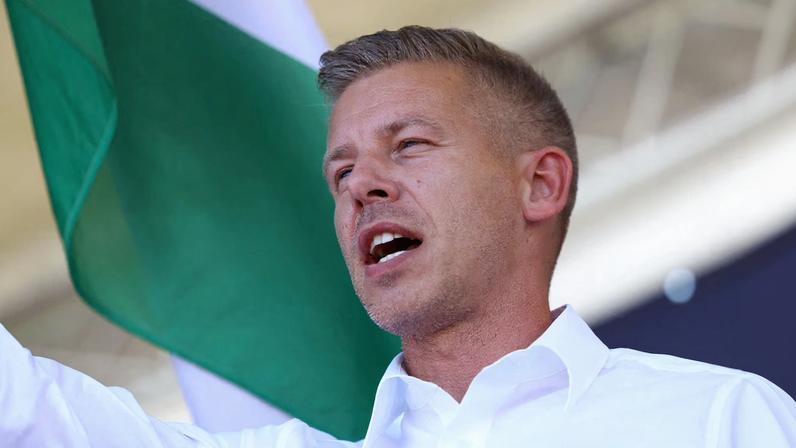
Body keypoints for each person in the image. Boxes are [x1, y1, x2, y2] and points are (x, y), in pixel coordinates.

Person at [2, 26, 795, 447]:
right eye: (339, 174)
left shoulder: (716, 420)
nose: (361, 187)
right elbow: (35, 414)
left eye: (408, 145)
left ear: (539, 183)